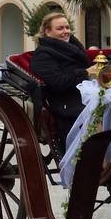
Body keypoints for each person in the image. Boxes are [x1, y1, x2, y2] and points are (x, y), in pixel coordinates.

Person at [30, 12, 98, 150]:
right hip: (65, 103)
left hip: (82, 95)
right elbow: (57, 83)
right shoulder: (43, 54)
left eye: (67, 27)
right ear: (47, 32)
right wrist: (85, 72)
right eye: (60, 28)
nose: (66, 31)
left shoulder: (73, 48)